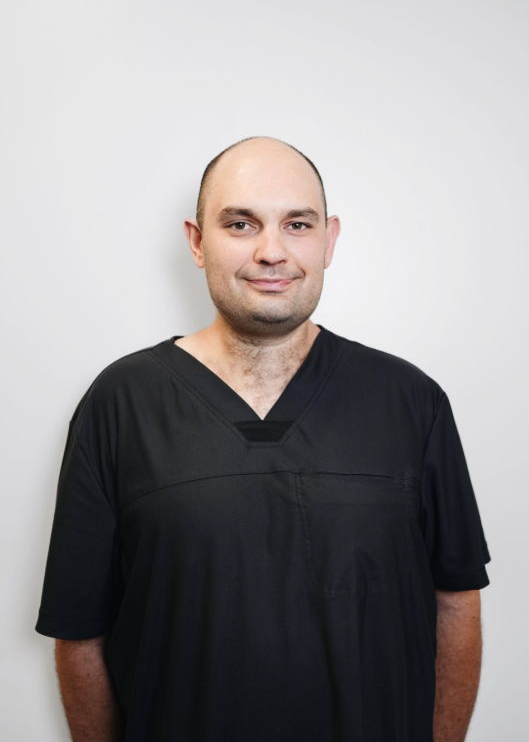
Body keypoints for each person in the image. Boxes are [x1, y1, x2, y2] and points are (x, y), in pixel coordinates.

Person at [35, 136, 492, 742]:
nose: (271, 252)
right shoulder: (121, 405)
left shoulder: (411, 402)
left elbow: (456, 599)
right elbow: (80, 632)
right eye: (240, 223)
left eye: (297, 224)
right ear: (197, 242)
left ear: (328, 240)